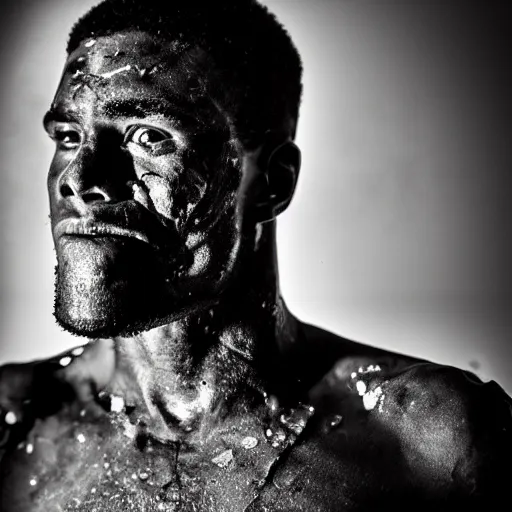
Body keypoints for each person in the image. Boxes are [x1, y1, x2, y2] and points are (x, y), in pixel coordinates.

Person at [0, 1, 510, 510]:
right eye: (68, 137)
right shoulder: (13, 425)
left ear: (272, 182)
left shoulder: (430, 442)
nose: (79, 179)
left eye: (149, 136)